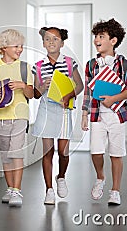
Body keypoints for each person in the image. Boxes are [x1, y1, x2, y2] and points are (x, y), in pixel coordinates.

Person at [81, 18, 127, 206]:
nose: (96, 40)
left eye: (101, 36)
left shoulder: (124, 64)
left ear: (113, 41)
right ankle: (100, 177)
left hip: (117, 115)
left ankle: (115, 191)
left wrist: (114, 99)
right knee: (96, 152)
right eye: (95, 36)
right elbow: (88, 92)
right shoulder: (91, 65)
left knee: (116, 153)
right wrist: (84, 114)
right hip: (97, 115)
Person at [32, 27, 84, 205]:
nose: (51, 42)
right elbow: (35, 94)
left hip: (63, 111)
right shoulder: (38, 66)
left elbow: (80, 85)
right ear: (43, 43)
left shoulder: (69, 63)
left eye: (55, 39)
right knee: (47, 152)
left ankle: (61, 177)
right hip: (46, 111)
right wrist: (42, 87)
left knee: (63, 151)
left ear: (62, 43)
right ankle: (49, 190)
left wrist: (70, 95)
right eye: (47, 39)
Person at [0, 29, 33, 207]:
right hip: (1, 117)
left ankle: (17, 191)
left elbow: (31, 93)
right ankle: (10, 188)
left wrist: (22, 85)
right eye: (16, 46)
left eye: (21, 46)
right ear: (4, 47)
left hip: (20, 115)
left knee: (16, 151)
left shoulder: (24, 67)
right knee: (5, 155)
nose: (20, 49)